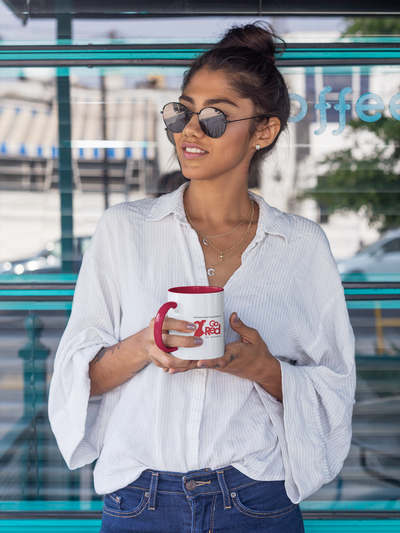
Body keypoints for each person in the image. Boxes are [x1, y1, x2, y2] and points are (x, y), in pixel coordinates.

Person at [49, 22, 356, 533]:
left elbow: (334, 386)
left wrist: (263, 367)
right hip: (140, 502)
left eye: (215, 116)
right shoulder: (124, 230)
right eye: (182, 111)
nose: (190, 129)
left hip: (258, 498)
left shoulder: (301, 246)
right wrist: (145, 343)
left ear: (265, 130)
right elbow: (78, 382)